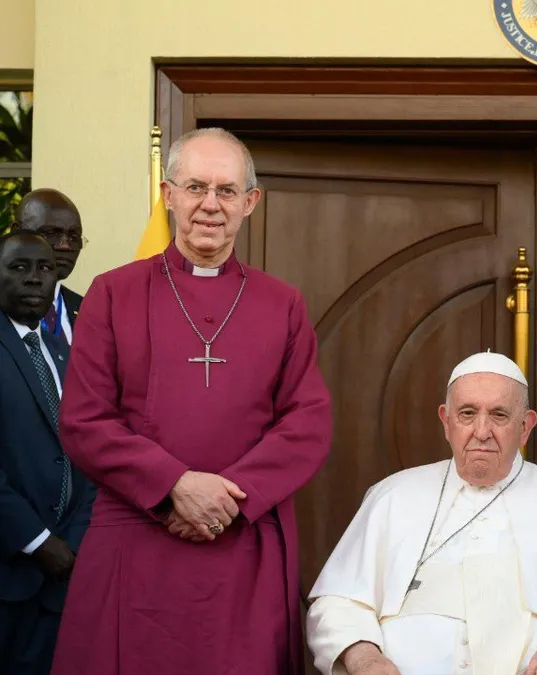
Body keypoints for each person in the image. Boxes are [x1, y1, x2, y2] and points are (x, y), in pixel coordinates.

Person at [49, 128, 334, 675]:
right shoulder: (113, 293)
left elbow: (308, 423)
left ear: (250, 202)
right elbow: (84, 419)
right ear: (169, 194)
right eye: (196, 186)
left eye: (227, 190)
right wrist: (174, 486)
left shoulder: (283, 304)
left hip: (243, 539)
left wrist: (229, 499)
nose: (210, 204)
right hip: (136, 537)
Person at [307, 351, 537, 675]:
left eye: (499, 415)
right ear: (446, 421)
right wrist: (364, 658)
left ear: (525, 427)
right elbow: (336, 604)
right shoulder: (392, 496)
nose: (481, 432)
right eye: (467, 413)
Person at [0, 231, 94, 674]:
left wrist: (72, 542)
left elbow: (89, 452)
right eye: (19, 268)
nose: (35, 279)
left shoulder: (65, 351)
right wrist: (38, 542)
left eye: (46, 269)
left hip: (62, 577)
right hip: (10, 570)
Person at [15, 189, 86, 344]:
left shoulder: (86, 308)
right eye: (52, 233)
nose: (65, 245)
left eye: (74, 236)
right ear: (17, 233)